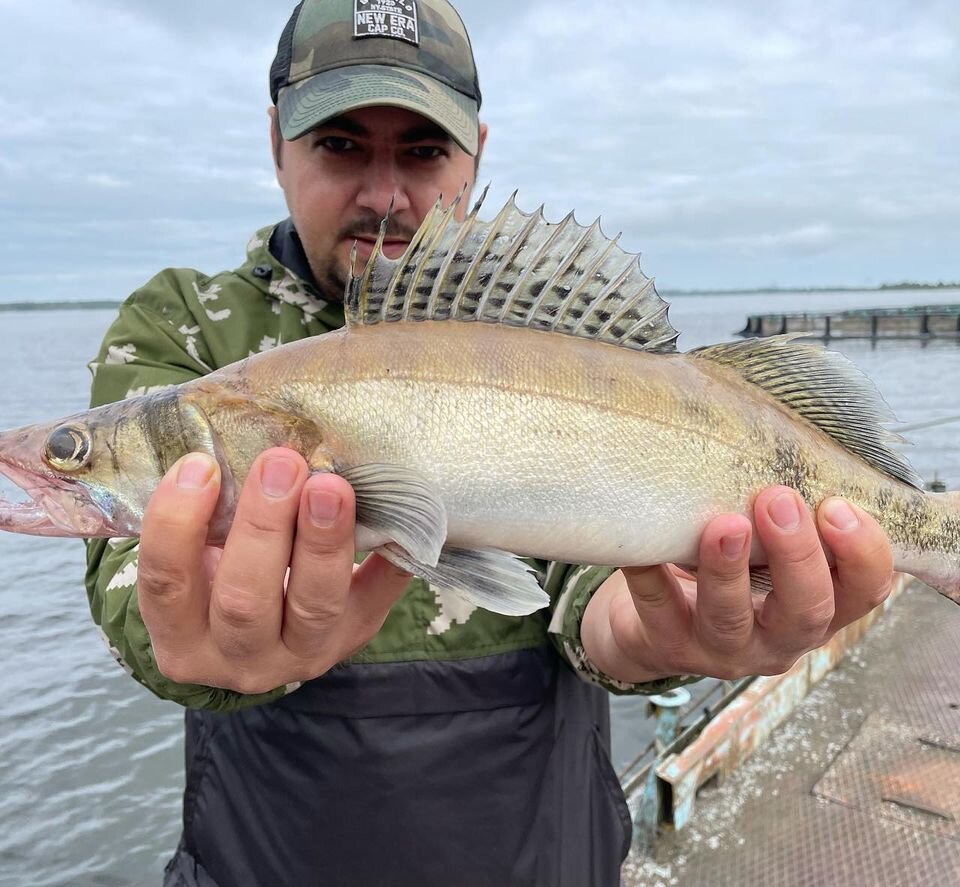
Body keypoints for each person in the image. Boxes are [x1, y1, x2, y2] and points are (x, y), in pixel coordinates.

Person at [84, 1, 896, 884]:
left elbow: (588, 582)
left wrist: (662, 632)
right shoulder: (185, 334)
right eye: (342, 144)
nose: (386, 194)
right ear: (277, 140)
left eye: (424, 152)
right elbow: (129, 584)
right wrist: (193, 626)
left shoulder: (543, 333)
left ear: (478, 152)